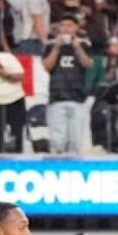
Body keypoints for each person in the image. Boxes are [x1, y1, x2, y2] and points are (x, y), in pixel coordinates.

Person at [44, 15, 93, 153]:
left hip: (78, 97)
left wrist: (77, 48)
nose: (66, 28)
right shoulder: (50, 44)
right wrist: (56, 48)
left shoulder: (84, 44)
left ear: (76, 28)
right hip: (57, 97)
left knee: (76, 141)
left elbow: (88, 64)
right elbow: (46, 66)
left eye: (70, 25)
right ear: (58, 28)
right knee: (57, 141)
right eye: (63, 25)